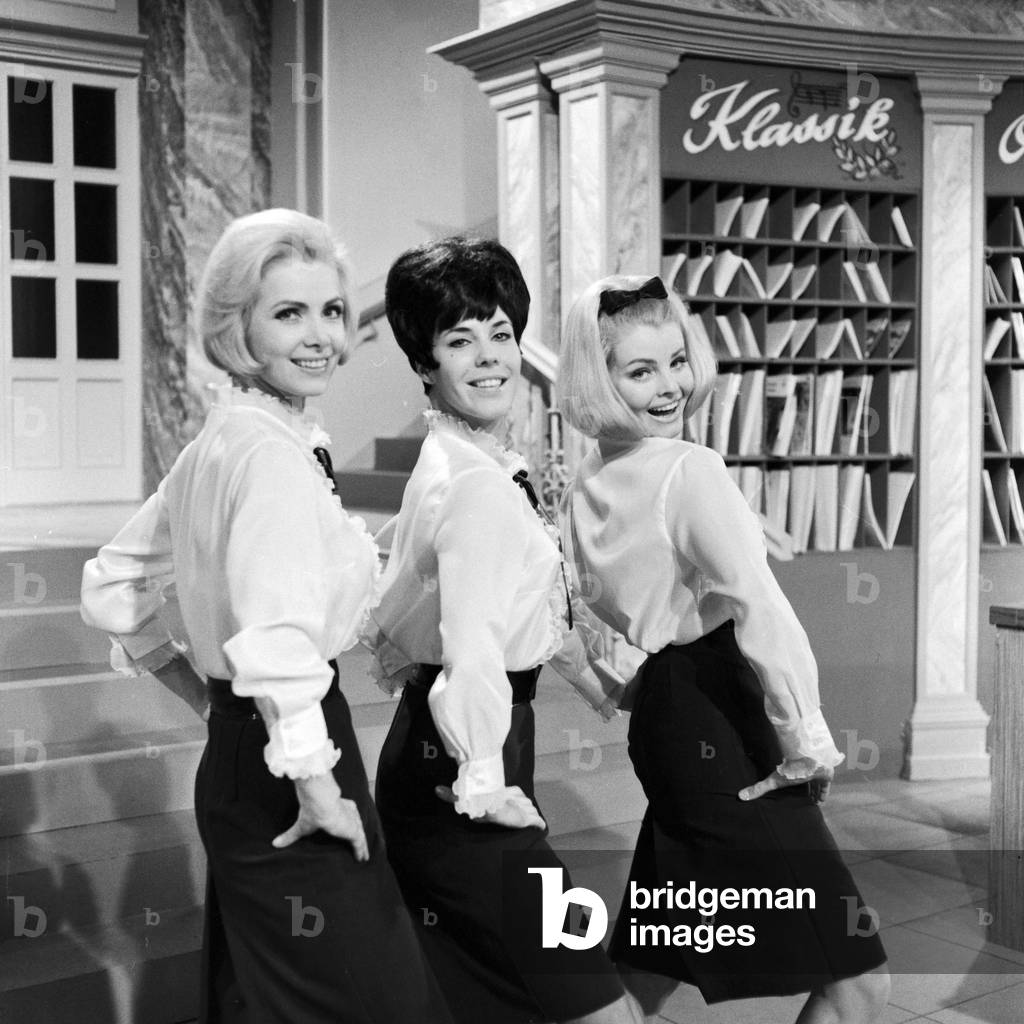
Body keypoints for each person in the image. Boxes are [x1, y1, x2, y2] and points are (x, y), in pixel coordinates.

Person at [80, 209, 454, 1024]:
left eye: (330, 310)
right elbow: (276, 638)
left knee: (264, 998)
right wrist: (317, 787)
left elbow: (113, 587)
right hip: (297, 760)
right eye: (288, 313)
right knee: (377, 1001)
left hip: (246, 751)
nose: (320, 334)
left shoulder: (224, 440)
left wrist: (206, 698)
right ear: (237, 327)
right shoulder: (265, 456)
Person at [557, 274, 891, 1024]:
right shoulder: (690, 468)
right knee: (859, 978)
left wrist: (626, 686)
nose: (672, 384)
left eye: (677, 361)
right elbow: (759, 608)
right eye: (641, 370)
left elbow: (587, 622)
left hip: (670, 721)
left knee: (648, 967)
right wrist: (806, 738)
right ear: (598, 380)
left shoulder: (584, 484)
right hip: (723, 718)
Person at [365, 236, 642, 1024]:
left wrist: (602, 688)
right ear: (425, 363)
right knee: (598, 1007)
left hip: (454, 758)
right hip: (462, 775)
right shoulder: (474, 485)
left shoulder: (470, 459)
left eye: (501, 336)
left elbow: (521, 619)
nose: (490, 359)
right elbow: (475, 649)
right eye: (460, 341)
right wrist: (486, 786)